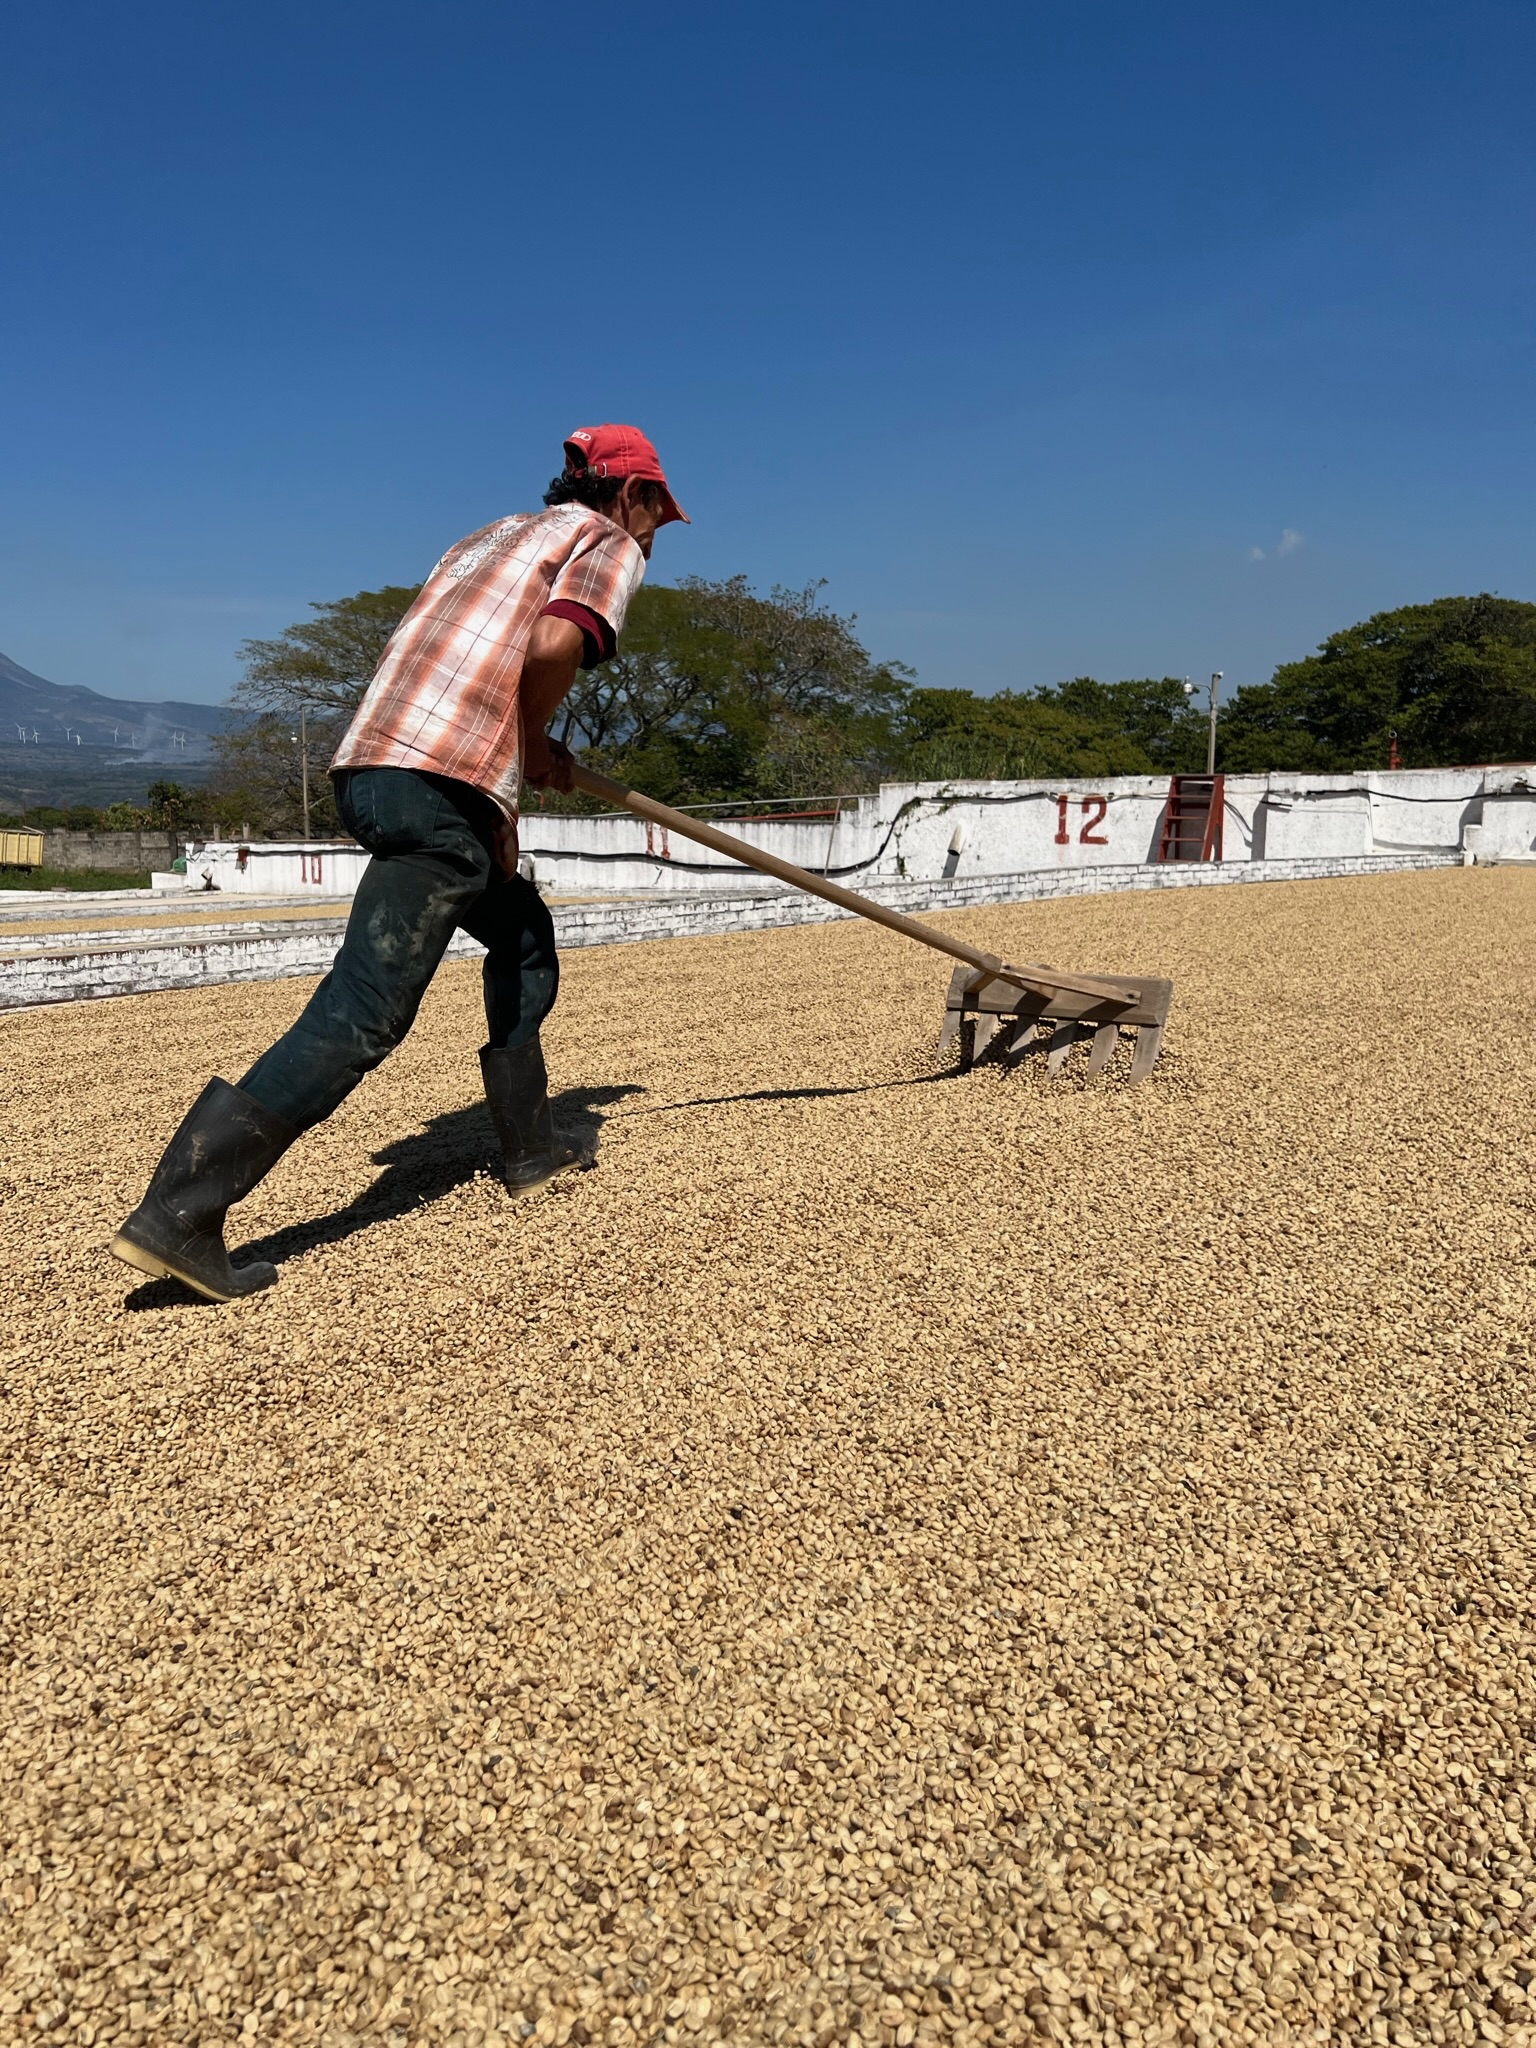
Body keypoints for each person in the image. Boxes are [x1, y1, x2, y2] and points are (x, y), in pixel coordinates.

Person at [110, 424, 687, 1303]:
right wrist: (530, 746)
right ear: (632, 495)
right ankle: (180, 1213)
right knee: (364, 1011)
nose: (655, 534)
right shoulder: (604, 541)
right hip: (441, 783)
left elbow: (474, 659)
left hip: (377, 768)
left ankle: (531, 1144)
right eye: (658, 513)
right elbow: (549, 648)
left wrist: (504, 794)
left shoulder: (489, 537)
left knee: (520, 929)